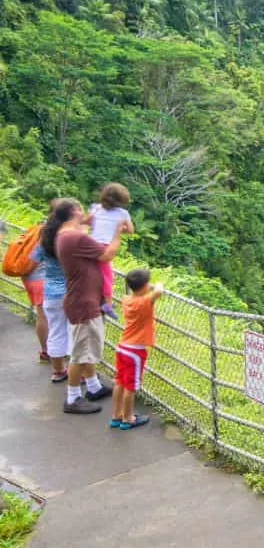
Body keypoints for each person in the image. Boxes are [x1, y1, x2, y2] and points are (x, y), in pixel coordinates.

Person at [54, 199, 128, 414]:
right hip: (83, 303)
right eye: (81, 209)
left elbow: (84, 228)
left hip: (81, 299)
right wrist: (117, 233)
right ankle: (73, 397)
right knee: (81, 353)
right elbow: (107, 254)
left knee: (85, 349)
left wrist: (90, 220)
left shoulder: (65, 234)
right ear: (74, 212)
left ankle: (93, 387)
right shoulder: (75, 237)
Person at [111, 268, 163, 430]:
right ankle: (128, 418)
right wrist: (157, 286)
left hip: (122, 346)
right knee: (131, 387)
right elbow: (159, 290)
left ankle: (116, 416)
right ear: (144, 286)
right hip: (135, 351)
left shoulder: (126, 300)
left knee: (119, 382)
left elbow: (145, 294)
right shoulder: (144, 302)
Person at [33, 200, 74, 382]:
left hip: (50, 291)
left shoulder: (45, 235)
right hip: (71, 290)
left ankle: (58, 370)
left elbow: (35, 257)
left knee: (56, 331)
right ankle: (78, 374)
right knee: (75, 333)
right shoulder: (68, 236)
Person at [87, 183, 134, 321]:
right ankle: (107, 303)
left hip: (90, 244)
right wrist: (118, 228)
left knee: (92, 271)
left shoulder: (95, 208)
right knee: (107, 276)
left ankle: (96, 295)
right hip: (105, 247)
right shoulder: (123, 214)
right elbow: (130, 230)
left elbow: (89, 222)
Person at [20, 221, 49, 363]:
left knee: (41, 314)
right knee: (43, 316)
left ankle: (46, 350)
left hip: (29, 277)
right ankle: (48, 351)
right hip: (41, 279)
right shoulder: (49, 233)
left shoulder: (35, 229)